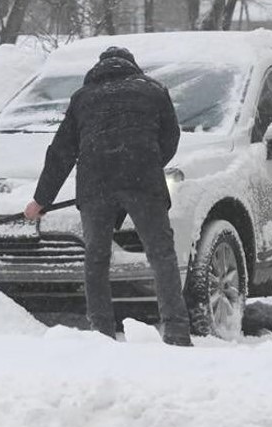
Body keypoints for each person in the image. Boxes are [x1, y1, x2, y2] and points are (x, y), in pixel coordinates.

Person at [23, 46, 192, 346]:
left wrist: (41, 200)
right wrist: (147, 164)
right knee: (161, 255)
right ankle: (177, 331)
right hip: (143, 181)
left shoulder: (83, 98)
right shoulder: (153, 91)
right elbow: (171, 138)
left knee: (97, 259)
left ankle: (100, 332)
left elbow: (61, 152)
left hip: (95, 184)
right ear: (132, 66)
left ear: (99, 69)